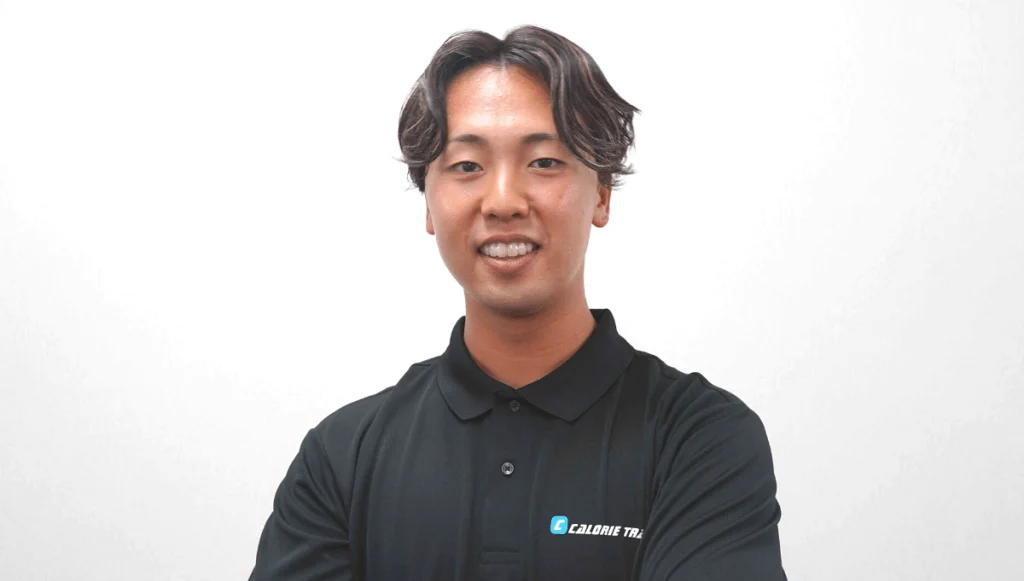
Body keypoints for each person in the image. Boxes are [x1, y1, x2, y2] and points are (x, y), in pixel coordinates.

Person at [248, 24, 786, 581]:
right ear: (429, 203)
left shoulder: (700, 439)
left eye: (544, 162)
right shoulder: (343, 455)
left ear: (601, 193)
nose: (503, 201)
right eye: (467, 166)